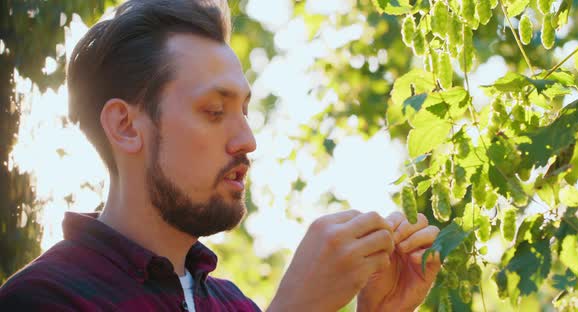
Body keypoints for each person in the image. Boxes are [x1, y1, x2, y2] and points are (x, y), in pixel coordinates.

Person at [0, 0, 441, 311]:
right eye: (214, 111)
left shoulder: (235, 305)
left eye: (244, 111)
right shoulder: (43, 298)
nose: (247, 139)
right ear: (125, 126)